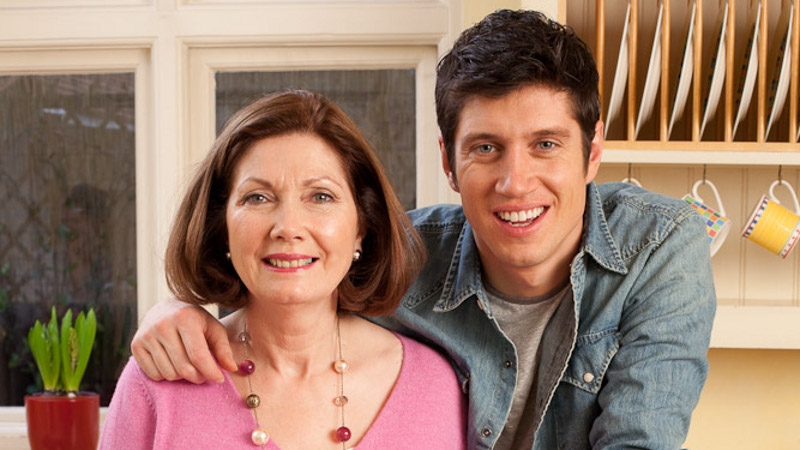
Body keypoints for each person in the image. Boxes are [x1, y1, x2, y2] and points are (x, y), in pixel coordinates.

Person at [130, 10, 716, 449]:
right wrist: (177, 312)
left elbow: (639, 441)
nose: (516, 182)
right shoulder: (402, 254)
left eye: (545, 145)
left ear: (592, 156)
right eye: (486, 147)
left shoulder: (660, 246)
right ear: (448, 163)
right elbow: (297, 276)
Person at [100, 90, 467, 449]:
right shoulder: (159, 382)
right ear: (221, 227)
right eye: (257, 197)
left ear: (361, 228)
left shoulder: (433, 386)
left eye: (321, 197)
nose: (288, 227)